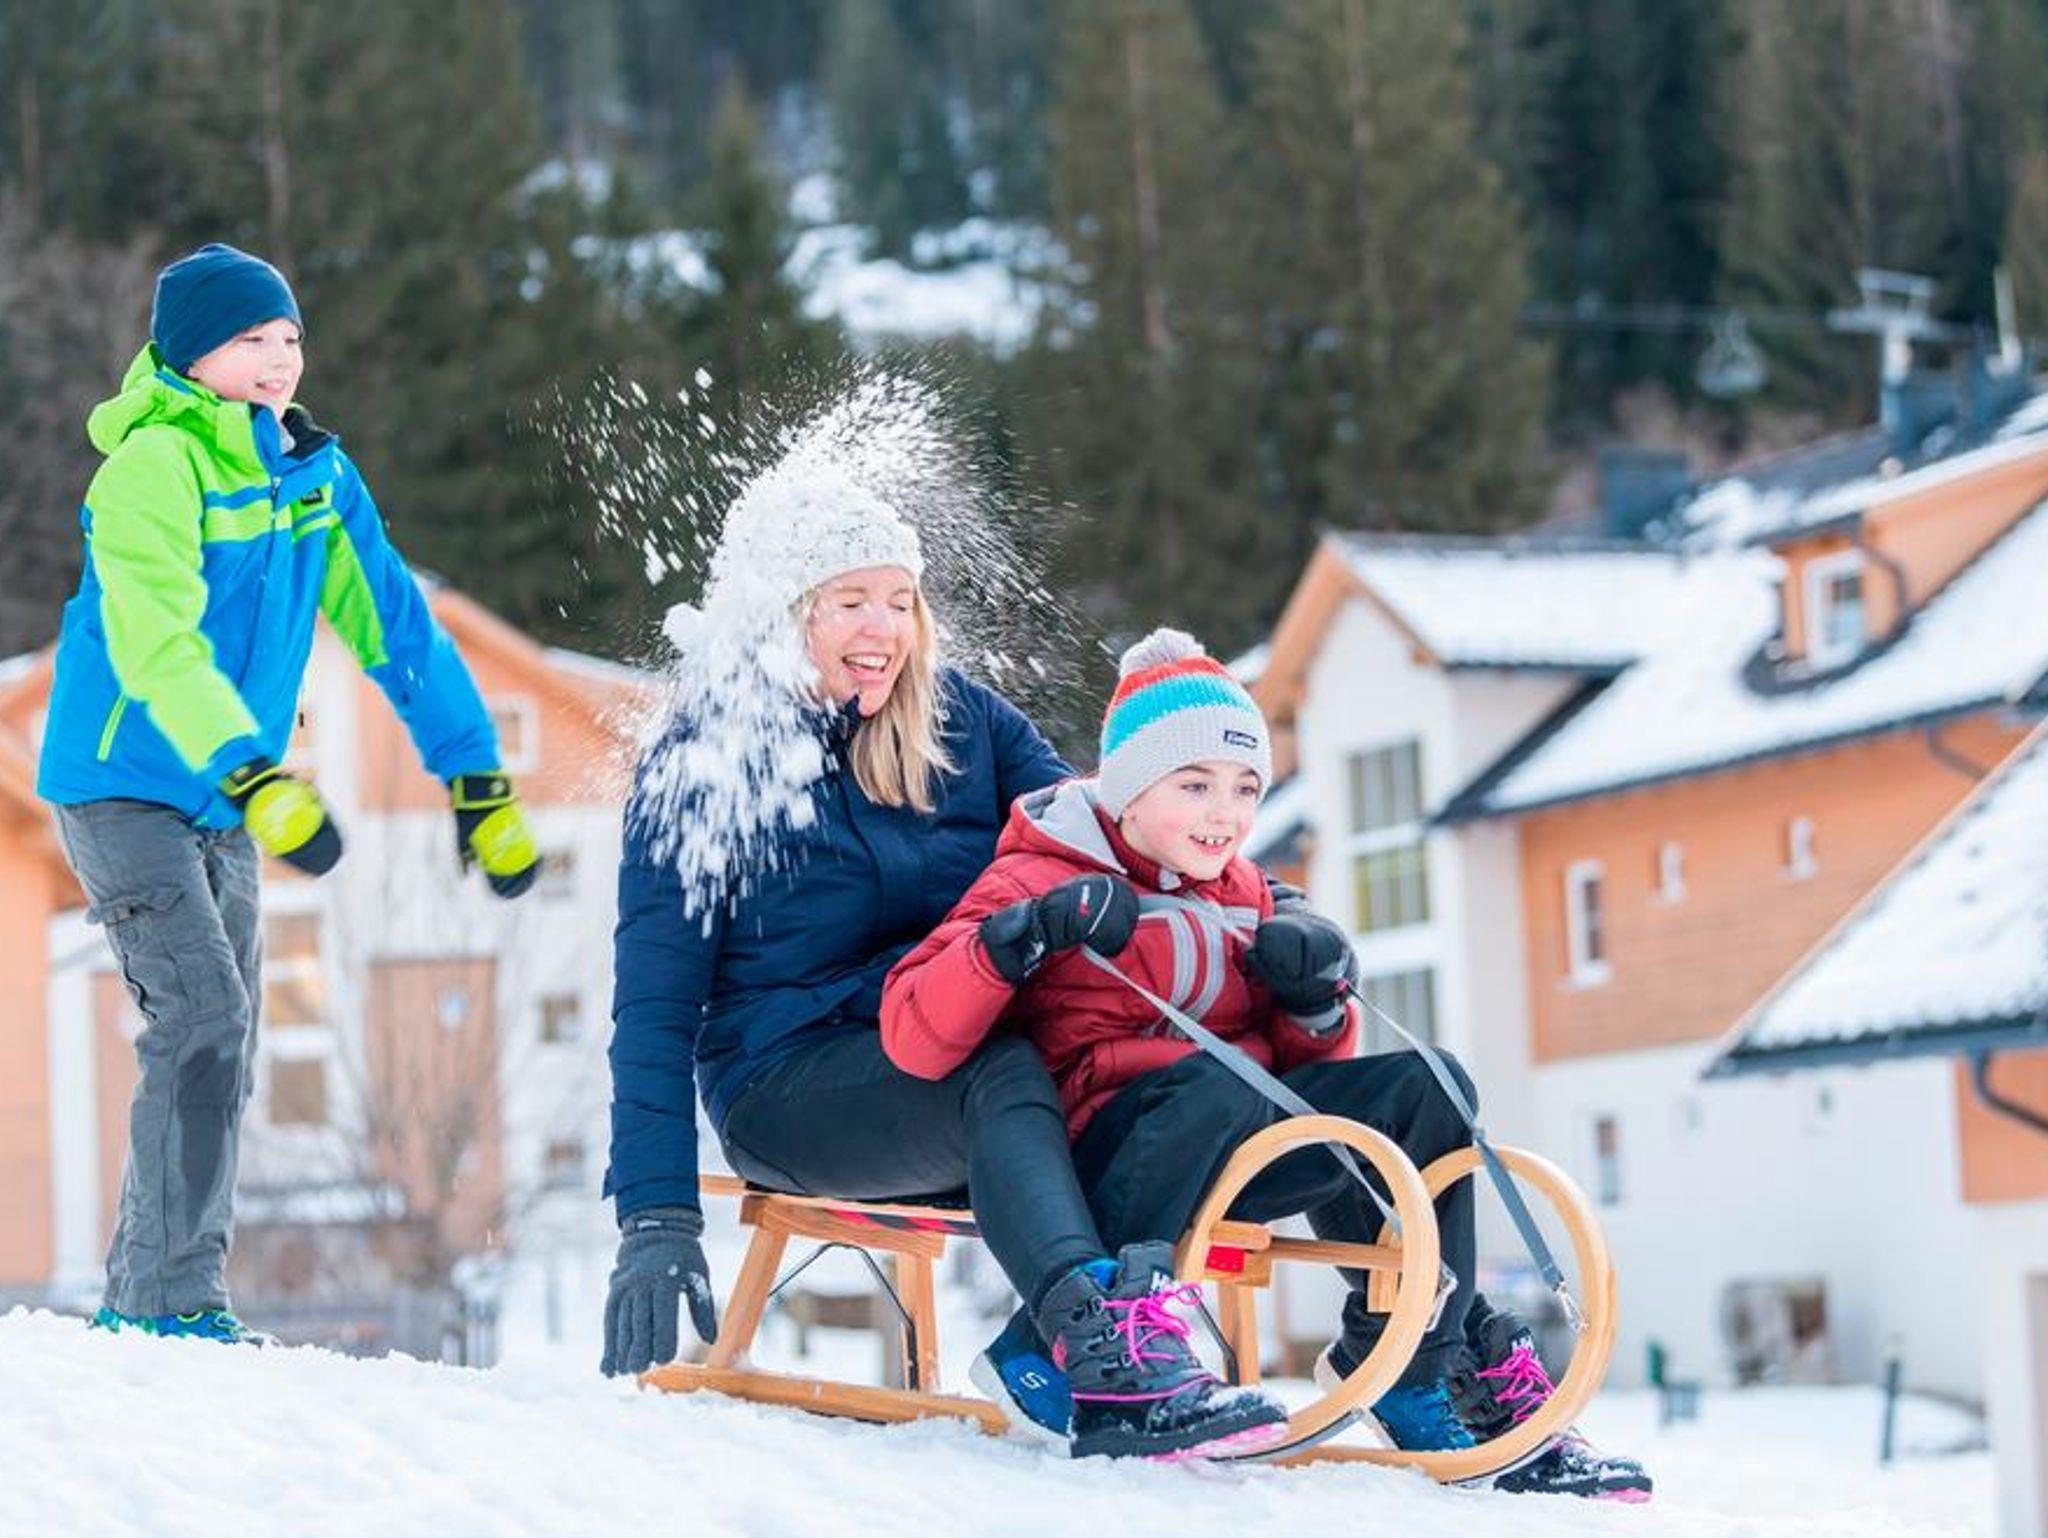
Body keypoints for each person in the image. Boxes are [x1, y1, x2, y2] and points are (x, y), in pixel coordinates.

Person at [882, 628, 1651, 1499]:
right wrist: (1024, 936)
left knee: (1427, 1085)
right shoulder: (1037, 874)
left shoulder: (1245, 891)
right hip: (1105, 1163)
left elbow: (1295, 1072)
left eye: (1246, 788)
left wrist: (1312, 1002)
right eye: (1195, 785)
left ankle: (1417, 1360)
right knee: (1209, 1084)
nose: (1226, 814)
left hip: (1234, 1146)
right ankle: (1072, 1340)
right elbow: (914, 1031)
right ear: (1128, 787)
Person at [600, 484, 1286, 1460]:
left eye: (900, 600)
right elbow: (654, 1007)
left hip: (955, 1041)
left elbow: (1118, 835)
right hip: (787, 1080)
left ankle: (1409, 1351)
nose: (883, 628)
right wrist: (655, 1213)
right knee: (996, 1070)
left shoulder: (964, 723)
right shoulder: (705, 763)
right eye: (849, 601)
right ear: (784, 615)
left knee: (1157, 1075)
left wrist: (1282, 912)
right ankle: (1091, 1344)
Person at [38, 243, 542, 1344]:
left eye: (290, 337)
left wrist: (474, 775)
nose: (278, 358)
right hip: (124, 786)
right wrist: (253, 770)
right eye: (249, 339)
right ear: (188, 355)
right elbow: (156, 640)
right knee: (201, 1017)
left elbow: (394, 625)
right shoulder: (151, 468)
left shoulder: (313, 476)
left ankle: (162, 1299)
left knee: (228, 1037)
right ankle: (166, 1306)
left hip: (229, 798)